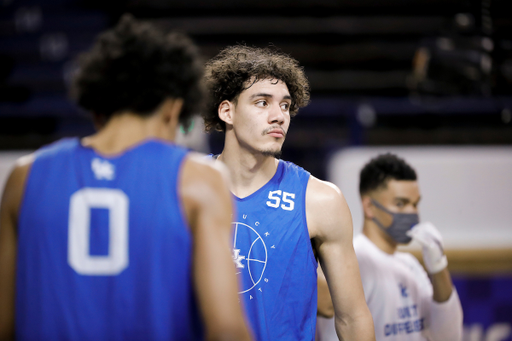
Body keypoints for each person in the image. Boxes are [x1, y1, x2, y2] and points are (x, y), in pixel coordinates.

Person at [0, 15, 252, 341]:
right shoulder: (198, 179)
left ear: (97, 108)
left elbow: (4, 325)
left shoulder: (24, 176)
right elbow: (227, 330)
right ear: (173, 109)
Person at [203, 45, 375, 341]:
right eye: (262, 102)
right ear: (227, 111)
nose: (278, 116)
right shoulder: (186, 188)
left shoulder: (320, 200)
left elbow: (352, 316)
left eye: (285, 105)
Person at [317, 153, 463, 341]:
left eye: (415, 204)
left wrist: (438, 266)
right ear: (369, 207)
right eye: (400, 204)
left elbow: (448, 336)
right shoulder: (352, 260)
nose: (411, 212)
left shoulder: (409, 264)